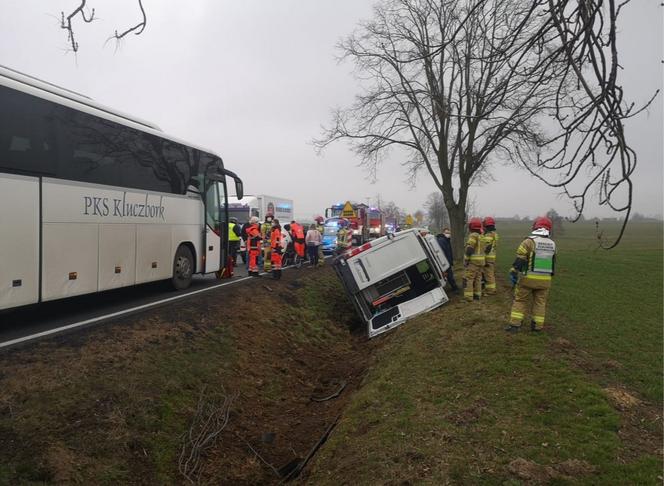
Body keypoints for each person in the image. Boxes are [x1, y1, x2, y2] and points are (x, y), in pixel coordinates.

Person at [506, 216, 557, 333]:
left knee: (520, 301)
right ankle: (537, 327)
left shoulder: (529, 241)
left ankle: (515, 325)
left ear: (535, 226)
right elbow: (553, 263)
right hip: (545, 281)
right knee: (540, 303)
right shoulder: (553, 244)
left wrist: (514, 271)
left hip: (528, 279)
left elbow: (520, 259)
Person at [463, 217, 485, 302]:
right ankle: (477, 295)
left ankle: (469, 297)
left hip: (473, 262)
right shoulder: (481, 236)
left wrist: (466, 259)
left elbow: (470, 249)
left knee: (469, 278)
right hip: (481, 262)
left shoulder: (473, 235)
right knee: (478, 278)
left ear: (471, 226)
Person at [435, 227, 459, 292]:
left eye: (449, 233)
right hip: (445, 262)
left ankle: (453, 287)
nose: (448, 234)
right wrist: (446, 262)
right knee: (449, 276)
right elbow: (442, 252)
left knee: (449, 275)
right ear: (443, 233)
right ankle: (455, 288)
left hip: (446, 261)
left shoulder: (446, 240)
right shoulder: (442, 240)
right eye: (446, 233)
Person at [481, 217, 499, 295]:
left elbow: (487, 247)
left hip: (488, 257)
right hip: (492, 257)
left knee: (489, 274)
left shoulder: (488, 235)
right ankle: (489, 288)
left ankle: (491, 290)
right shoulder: (495, 234)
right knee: (489, 273)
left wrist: (483, 256)